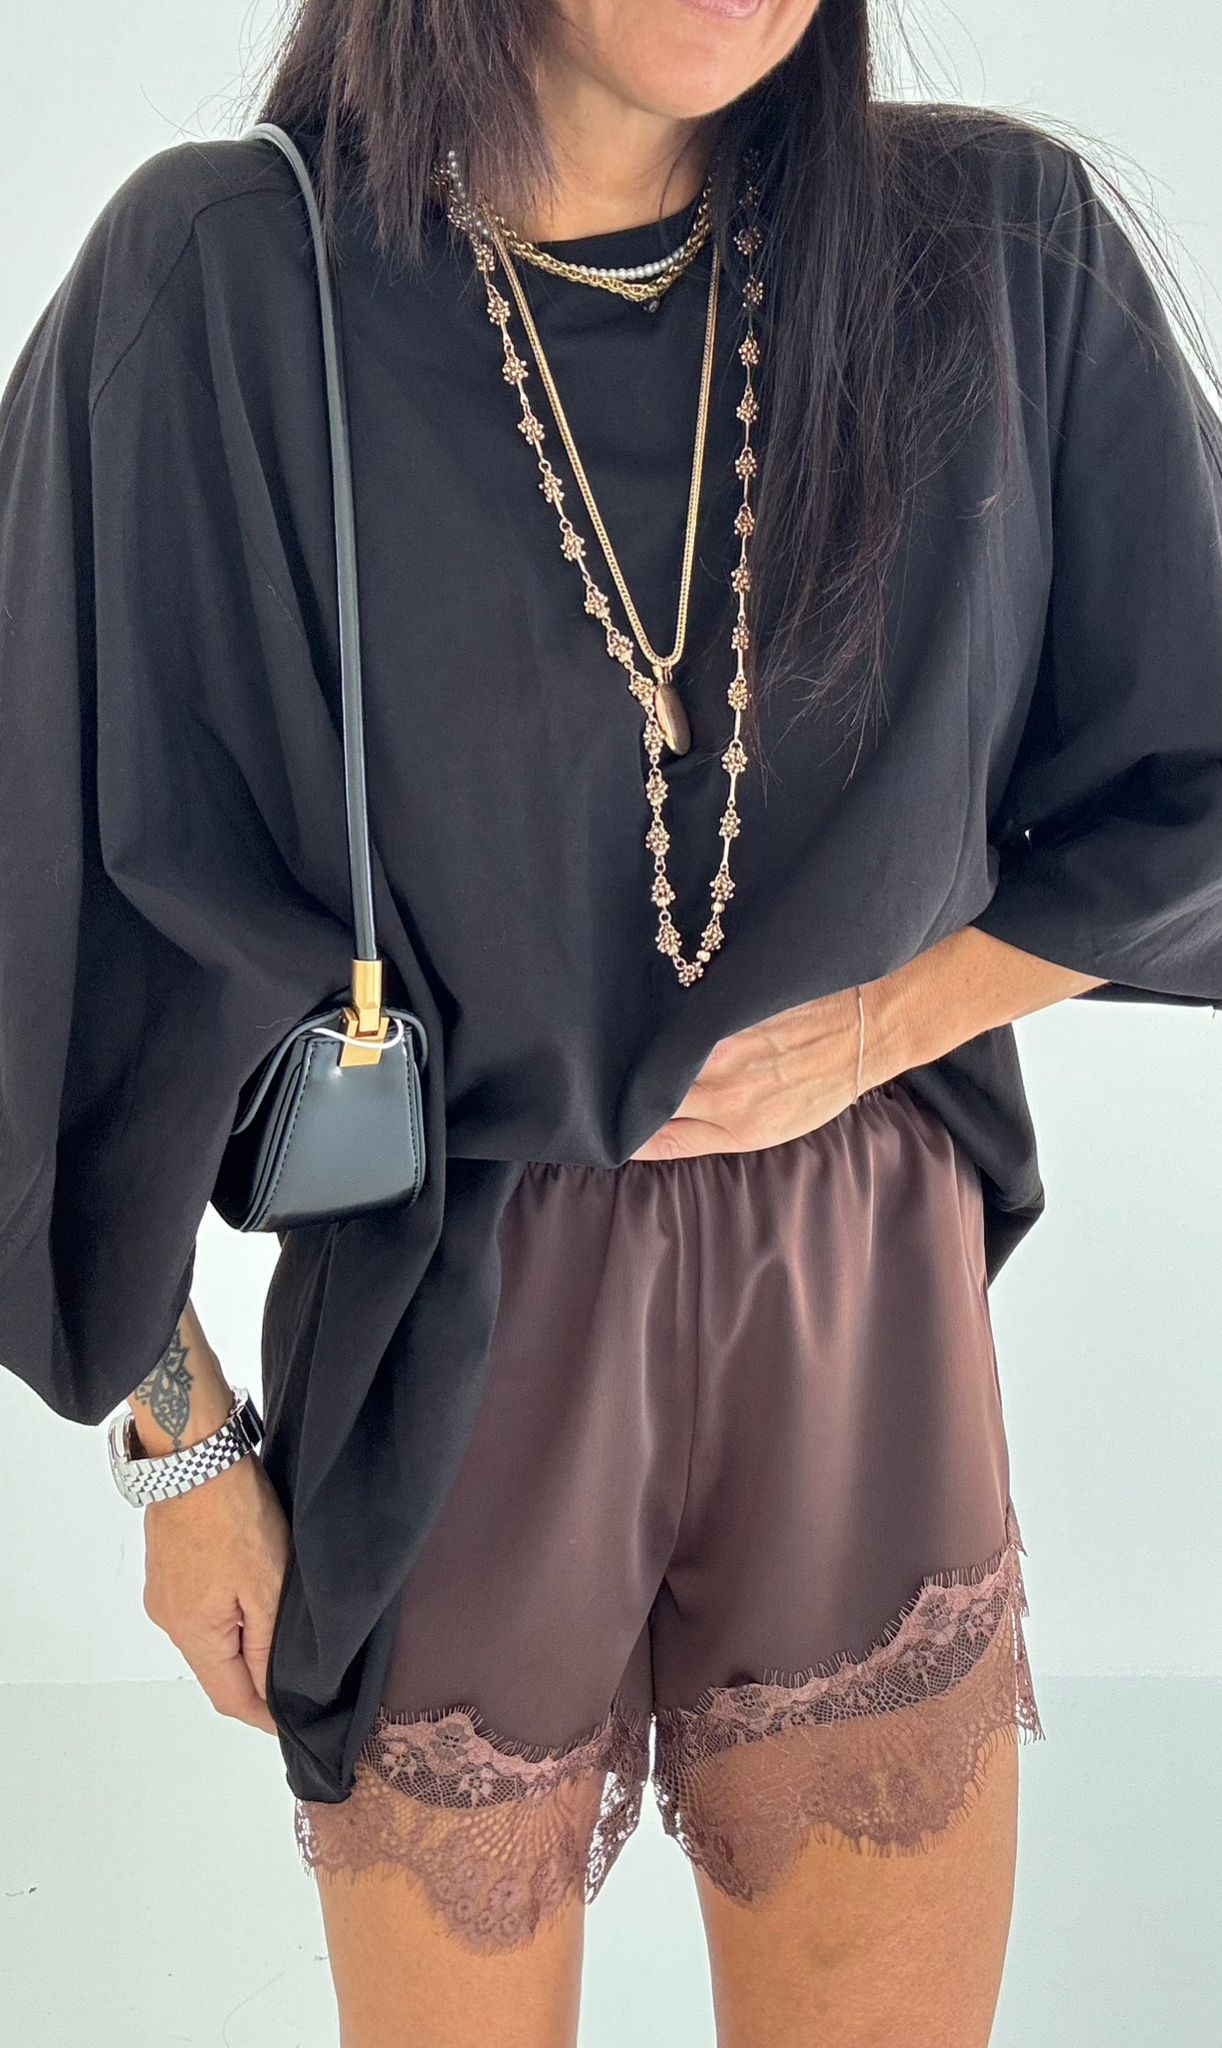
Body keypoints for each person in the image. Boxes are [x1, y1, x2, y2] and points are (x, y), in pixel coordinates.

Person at [2, 2, 1221, 2043]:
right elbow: (41, 910)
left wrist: (894, 1019)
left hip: (861, 1287)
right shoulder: (227, 283)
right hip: (449, 1313)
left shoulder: (990, 252)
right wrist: (176, 1441)